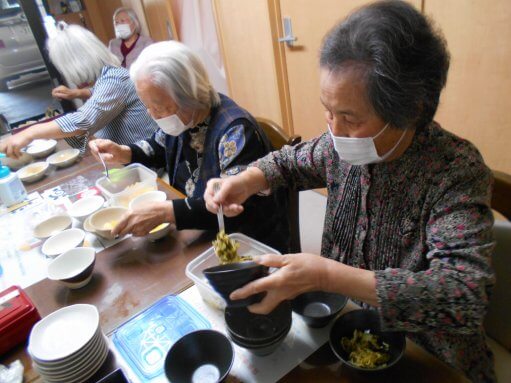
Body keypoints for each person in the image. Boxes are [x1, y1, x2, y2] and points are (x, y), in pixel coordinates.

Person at [204, 1, 495, 381]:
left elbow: (464, 294)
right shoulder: (339, 146)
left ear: (412, 109)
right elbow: (291, 162)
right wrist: (246, 178)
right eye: (328, 111)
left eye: (350, 118)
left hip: (429, 356)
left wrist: (329, 276)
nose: (334, 131)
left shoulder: (456, 171)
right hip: (343, 329)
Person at [89, 41, 289, 253]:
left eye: (158, 107)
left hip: (247, 241)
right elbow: (158, 147)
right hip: (201, 230)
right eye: (146, 106)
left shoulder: (236, 131)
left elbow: (228, 205)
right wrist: (124, 153)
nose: (152, 114)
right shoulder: (185, 118)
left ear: (189, 96)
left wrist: (166, 212)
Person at [0, 23, 158, 158]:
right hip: (120, 156)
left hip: (143, 158)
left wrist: (29, 133)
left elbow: (83, 121)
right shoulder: (108, 76)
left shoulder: (115, 80)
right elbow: (100, 93)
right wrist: (76, 93)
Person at [52, 8, 153, 102]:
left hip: (141, 92)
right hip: (118, 91)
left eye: (123, 21)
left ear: (134, 23)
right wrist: (77, 92)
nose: (119, 25)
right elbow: (107, 75)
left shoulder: (147, 43)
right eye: (116, 23)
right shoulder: (113, 44)